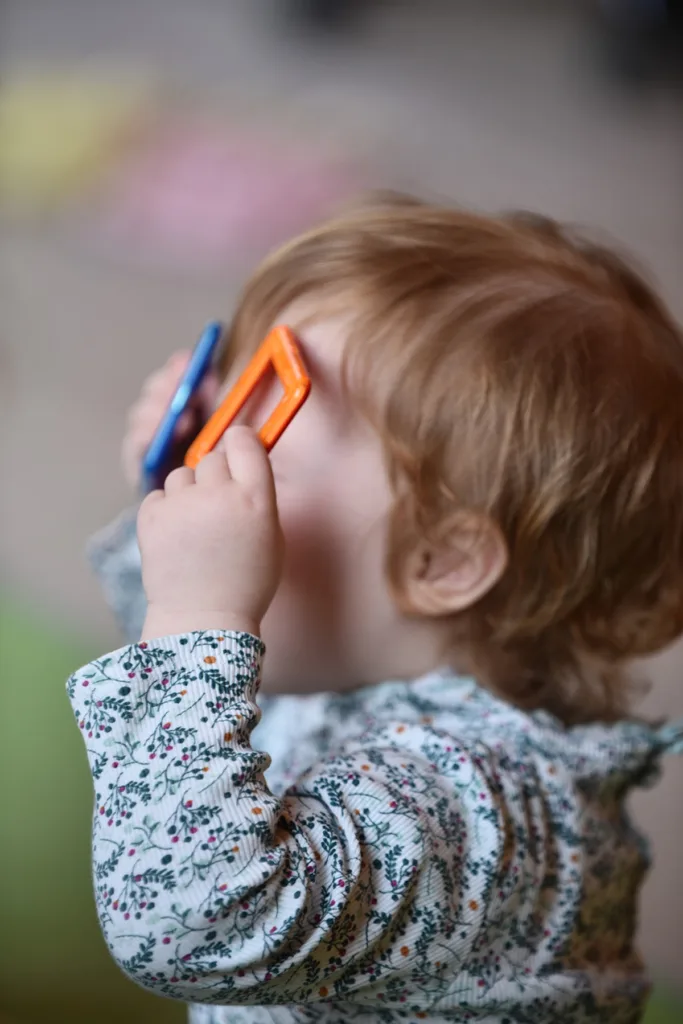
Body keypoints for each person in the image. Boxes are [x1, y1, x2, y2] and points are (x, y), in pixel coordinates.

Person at [67, 196, 683, 1023]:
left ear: (442, 562)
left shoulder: (473, 814)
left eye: (267, 447)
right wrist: (171, 483)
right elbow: (191, 697)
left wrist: (200, 612)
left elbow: (187, 924)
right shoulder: (341, 637)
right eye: (226, 417)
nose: (216, 456)